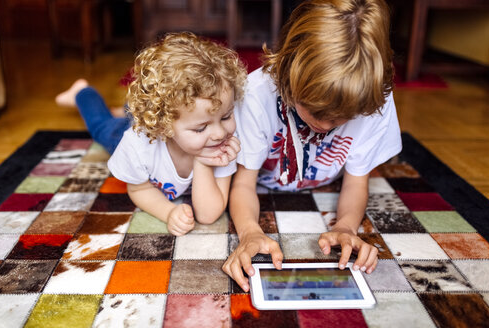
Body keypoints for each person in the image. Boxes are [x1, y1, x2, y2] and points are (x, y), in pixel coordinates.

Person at [223, 0, 402, 292]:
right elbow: (243, 185)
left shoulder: (374, 100)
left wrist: (345, 227)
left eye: (344, 117)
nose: (328, 125)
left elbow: (357, 182)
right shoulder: (255, 96)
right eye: (317, 113)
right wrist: (249, 233)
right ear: (289, 75)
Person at [56, 32, 247, 236]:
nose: (219, 133)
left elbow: (208, 215)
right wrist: (168, 212)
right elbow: (139, 189)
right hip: (133, 131)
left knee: (143, 107)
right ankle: (83, 92)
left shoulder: (221, 145)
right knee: (101, 126)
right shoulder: (136, 144)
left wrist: (202, 163)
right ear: (164, 126)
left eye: (226, 116)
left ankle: (129, 108)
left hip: (163, 115)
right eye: (201, 128)